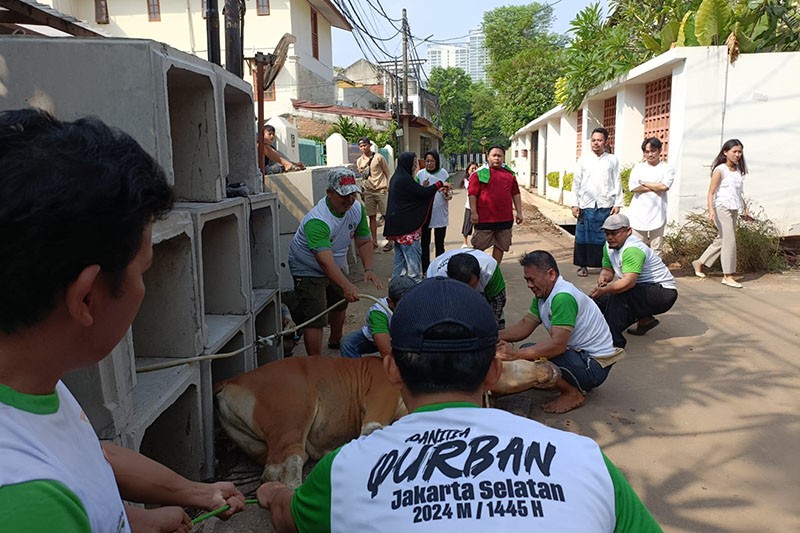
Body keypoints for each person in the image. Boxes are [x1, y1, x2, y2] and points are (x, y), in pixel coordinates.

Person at [0, 109, 246, 532]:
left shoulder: (28, 376)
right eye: (143, 270)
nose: (143, 289)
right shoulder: (27, 503)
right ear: (87, 298)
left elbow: (91, 457)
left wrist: (153, 513)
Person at [256, 277, 661, 532]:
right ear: (492, 373)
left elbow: (289, 517)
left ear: (392, 371)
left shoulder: (344, 471)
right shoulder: (587, 462)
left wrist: (274, 494)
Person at [497, 251, 623, 414]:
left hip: (593, 366)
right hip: (578, 356)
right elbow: (524, 326)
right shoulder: (543, 295)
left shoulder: (562, 297)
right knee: (529, 349)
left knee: (532, 357)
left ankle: (573, 393)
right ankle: (556, 379)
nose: (529, 285)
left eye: (531, 279)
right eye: (527, 280)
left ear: (550, 274)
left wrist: (515, 355)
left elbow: (557, 346)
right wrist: (492, 336)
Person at [288, 167, 383, 355]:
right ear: (329, 193)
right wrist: (347, 284)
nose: (349, 200)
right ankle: (315, 362)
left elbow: (364, 241)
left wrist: (369, 268)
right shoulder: (318, 220)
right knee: (315, 314)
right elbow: (324, 263)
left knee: (339, 300)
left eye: (352, 195)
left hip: (334, 262)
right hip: (307, 267)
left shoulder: (356, 208)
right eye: (343, 196)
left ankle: (335, 341)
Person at [590, 214, 678, 349]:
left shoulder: (632, 249)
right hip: (643, 288)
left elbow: (628, 282)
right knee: (597, 300)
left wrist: (605, 290)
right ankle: (645, 320)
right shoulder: (609, 246)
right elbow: (607, 269)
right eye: (607, 233)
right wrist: (604, 277)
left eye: (614, 233)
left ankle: (613, 342)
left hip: (662, 292)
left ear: (628, 231)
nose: (610, 237)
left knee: (618, 295)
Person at [692, 139, 750, 289]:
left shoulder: (738, 171)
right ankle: (728, 275)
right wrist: (711, 210)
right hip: (721, 207)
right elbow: (711, 193)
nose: (737, 154)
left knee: (722, 239)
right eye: (734, 151)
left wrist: (745, 208)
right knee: (730, 240)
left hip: (734, 207)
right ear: (725, 152)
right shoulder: (720, 170)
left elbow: (739, 192)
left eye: (739, 152)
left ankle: (699, 262)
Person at [383, 152, 449, 281]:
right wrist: (439, 184)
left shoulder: (398, 177)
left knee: (399, 264)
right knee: (413, 267)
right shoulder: (405, 179)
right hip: (407, 231)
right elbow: (422, 193)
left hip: (399, 229)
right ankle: (414, 291)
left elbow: (414, 195)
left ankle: (396, 290)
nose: (415, 167)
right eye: (414, 164)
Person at [571, 127, 623, 277]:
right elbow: (576, 183)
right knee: (583, 237)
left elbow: (617, 181)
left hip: (605, 204)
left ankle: (605, 266)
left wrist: (617, 203)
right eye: (593, 140)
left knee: (604, 237)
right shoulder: (583, 159)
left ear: (606, 142)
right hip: (586, 204)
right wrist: (575, 204)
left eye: (599, 140)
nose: (596, 143)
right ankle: (583, 265)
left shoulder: (612, 160)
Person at [468, 146, 523, 265]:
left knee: (501, 246)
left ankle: (494, 270)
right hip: (484, 219)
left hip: (505, 218)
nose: (497, 158)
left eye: (499, 155)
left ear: (503, 158)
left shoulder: (510, 175)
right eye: (494, 155)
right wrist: (474, 212)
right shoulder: (479, 174)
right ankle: (477, 270)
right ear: (488, 157)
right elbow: (472, 194)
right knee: (479, 246)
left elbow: (516, 193)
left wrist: (519, 212)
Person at [339, 276, 417, 358]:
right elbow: (386, 352)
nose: (409, 307)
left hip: (405, 339)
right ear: (390, 302)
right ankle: (355, 369)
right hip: (377, 340)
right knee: (347, 343)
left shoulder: (419, 304)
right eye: (402, 304)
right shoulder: (378, 312)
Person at [426, 249, 507, 328]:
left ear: (480, 273)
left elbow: (498, 301)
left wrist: (491, 325)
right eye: (461, 288)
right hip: (448, 294)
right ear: (448, 276)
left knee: (495, 326)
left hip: (482, 291)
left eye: (472, 285)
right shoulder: (437, 281)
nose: (468, 292)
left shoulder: (489, 269)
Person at [627, 137, 675, 257]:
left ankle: (656, 274)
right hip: (638, 214)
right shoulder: (638, 168)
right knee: (638, 247)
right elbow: (633, 188)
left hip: (658, 213)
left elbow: (664, 187)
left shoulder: (667, 168)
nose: (650, 154)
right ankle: (638, 273)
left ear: (659, 151)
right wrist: (655, 186)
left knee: (656, 248)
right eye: (646, 152)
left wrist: (644, 183)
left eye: (653, 151)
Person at [415, 150, 452, 271]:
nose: (429, 163)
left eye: (432, 161)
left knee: (439, 244)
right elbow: (416, 194)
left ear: (437, 161)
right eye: (427, 161)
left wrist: (446, 192)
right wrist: (423, 188)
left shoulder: (443, 173)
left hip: (440, 214)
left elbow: (450, 195)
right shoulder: (420, 174)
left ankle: (439, 269)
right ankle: (425, 269)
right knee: (424, 244)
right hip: (425, 215)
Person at [355, 137, 392, 250]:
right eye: (361, 146)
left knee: (387, 216)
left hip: (381, 190)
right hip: (368, 192)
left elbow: (387, 172)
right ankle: (374, 242)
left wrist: (387, 187)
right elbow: (363, 176)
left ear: (369, 145)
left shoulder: (379, 158)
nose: (363, 148)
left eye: (365, 145)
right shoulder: (359, 161)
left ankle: (390, 240)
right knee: (371, 217)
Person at [460, 161, 479, 247]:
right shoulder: (466, 180)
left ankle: (477, 243)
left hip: (479, 207)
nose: (474, 170)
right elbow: (470, 188)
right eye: (472, 169)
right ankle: (465, 242)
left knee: (478, 226)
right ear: (468, 170)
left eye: (476, 168)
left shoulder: (480, 178)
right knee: (467, 225)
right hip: (469, 206)